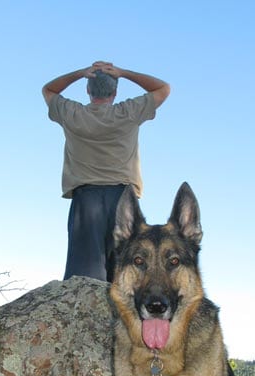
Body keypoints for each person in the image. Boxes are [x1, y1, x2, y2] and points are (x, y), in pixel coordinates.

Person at [42, 61, 170, 282]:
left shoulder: (73, 114)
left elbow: (48, 90)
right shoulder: (128, 112)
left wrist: (80, 73)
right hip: (123, 200)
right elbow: (162, 89)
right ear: (115, 91)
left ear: (88, 90)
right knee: (125, 273)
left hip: (86, 200)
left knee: (84, 277)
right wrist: (124, 72)